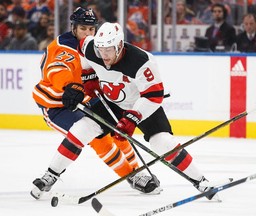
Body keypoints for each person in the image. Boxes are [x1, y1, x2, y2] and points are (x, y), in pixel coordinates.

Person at [57, 21, 224, 201]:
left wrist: (132, 119)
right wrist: (86, 78)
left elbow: (153, 96)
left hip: (140, 103)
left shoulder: (142, 61)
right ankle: (50, 175)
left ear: (120, 46)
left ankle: (201, 181)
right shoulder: (92, 47)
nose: (103, 54)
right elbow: (82, 53)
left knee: (162, 142)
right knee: (82, 127)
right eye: (101, 49)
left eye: (108, 49)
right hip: (111, 101)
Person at [30, 7, 161, 200]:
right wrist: (70, 86)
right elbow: (58, 70)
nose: (88, 33)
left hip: (85, 98)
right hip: (59, 105)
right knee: (99, 137)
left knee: (118, 129)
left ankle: (137, 170)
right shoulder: (64, 46)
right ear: (73, 28)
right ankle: (129, 175)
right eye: (83, 28)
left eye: (92, 29)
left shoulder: (96, 44)